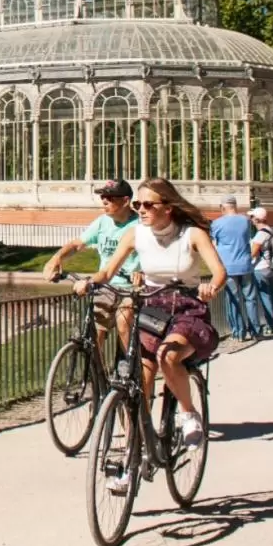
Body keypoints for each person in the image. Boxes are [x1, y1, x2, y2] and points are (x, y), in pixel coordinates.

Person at [73, 178, 227, 473]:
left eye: (148, 204)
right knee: (136, 380)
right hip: (152, 307)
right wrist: (89, 281)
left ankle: (188, 413)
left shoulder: (192, 235)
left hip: (186, 308)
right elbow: (108, 270)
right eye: (137, 204)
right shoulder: (134, 234)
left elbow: (219, 272)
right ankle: (134, 449)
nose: (140, 210)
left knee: (168, 356)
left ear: (168, 208)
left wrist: (211, 287)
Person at [42, 179, 140, 352]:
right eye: (103, 196)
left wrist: (142, 272)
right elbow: (77, 244)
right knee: (95, 335)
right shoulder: (102, 222)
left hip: (130, 288)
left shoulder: (140, 225)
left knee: (124, 321)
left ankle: (126, 370)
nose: (104, 201)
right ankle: (97, 376)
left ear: (126, 200)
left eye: (110, 197)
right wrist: (56, 258)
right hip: (104, 286)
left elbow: (154, 254)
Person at [210, 195, 258, 342]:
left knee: (233, 299)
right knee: (250, 299)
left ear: (223, 207)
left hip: (228, 266)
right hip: (245, 264)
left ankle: (238, 332)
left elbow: (213, 245)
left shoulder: (217, 223)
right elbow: (249, 239)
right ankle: (256, 331)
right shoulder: (245, 221)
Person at [248, 207, 273, 336]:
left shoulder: (260, 234)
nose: (250, 220)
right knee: (271, 297)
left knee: (265, 298)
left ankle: (271, 327)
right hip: (272, 267)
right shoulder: (271, 231)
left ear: (256, 219)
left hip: (261, 268)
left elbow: (253, 252)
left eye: (252, 218)